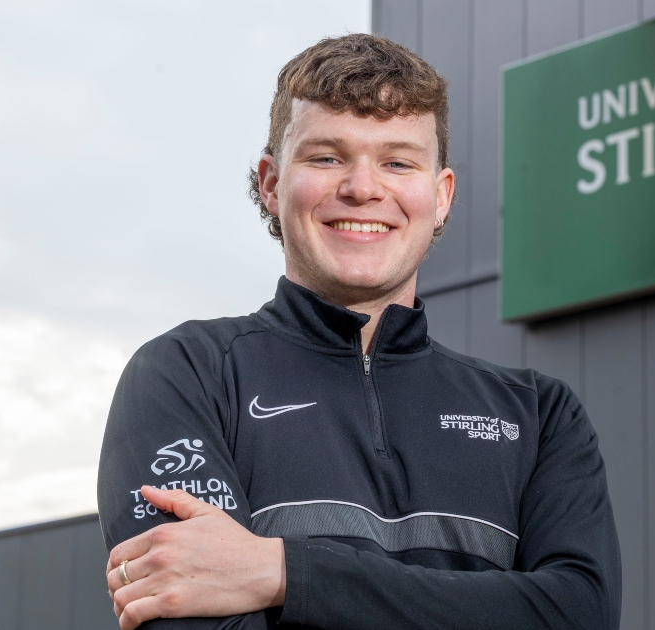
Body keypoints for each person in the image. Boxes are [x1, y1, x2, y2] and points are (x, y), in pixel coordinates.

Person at [97, 33, 621, 630]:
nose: (363, 188)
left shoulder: (538, 414)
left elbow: (579, 614)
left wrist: (286, 573)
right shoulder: (188, 375)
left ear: (441, 196)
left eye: (398, 162)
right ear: (271, 183)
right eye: (326, 157)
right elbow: (185, 604)